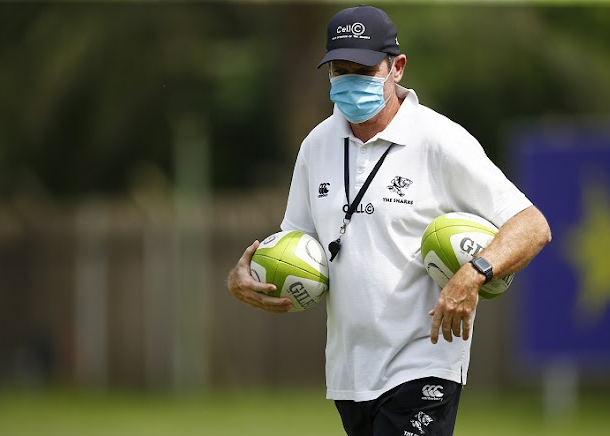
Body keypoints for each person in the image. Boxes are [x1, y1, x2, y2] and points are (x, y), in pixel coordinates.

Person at [228, 5, 552, 435]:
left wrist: (474, 273)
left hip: (425, 363)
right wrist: (248, 277)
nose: (349, 81)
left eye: (362, 69)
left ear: (396, 67)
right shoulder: (316, 145)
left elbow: (532, 225)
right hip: (350, 375)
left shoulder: (440, 141)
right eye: (338, 70)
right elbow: (297, 244)